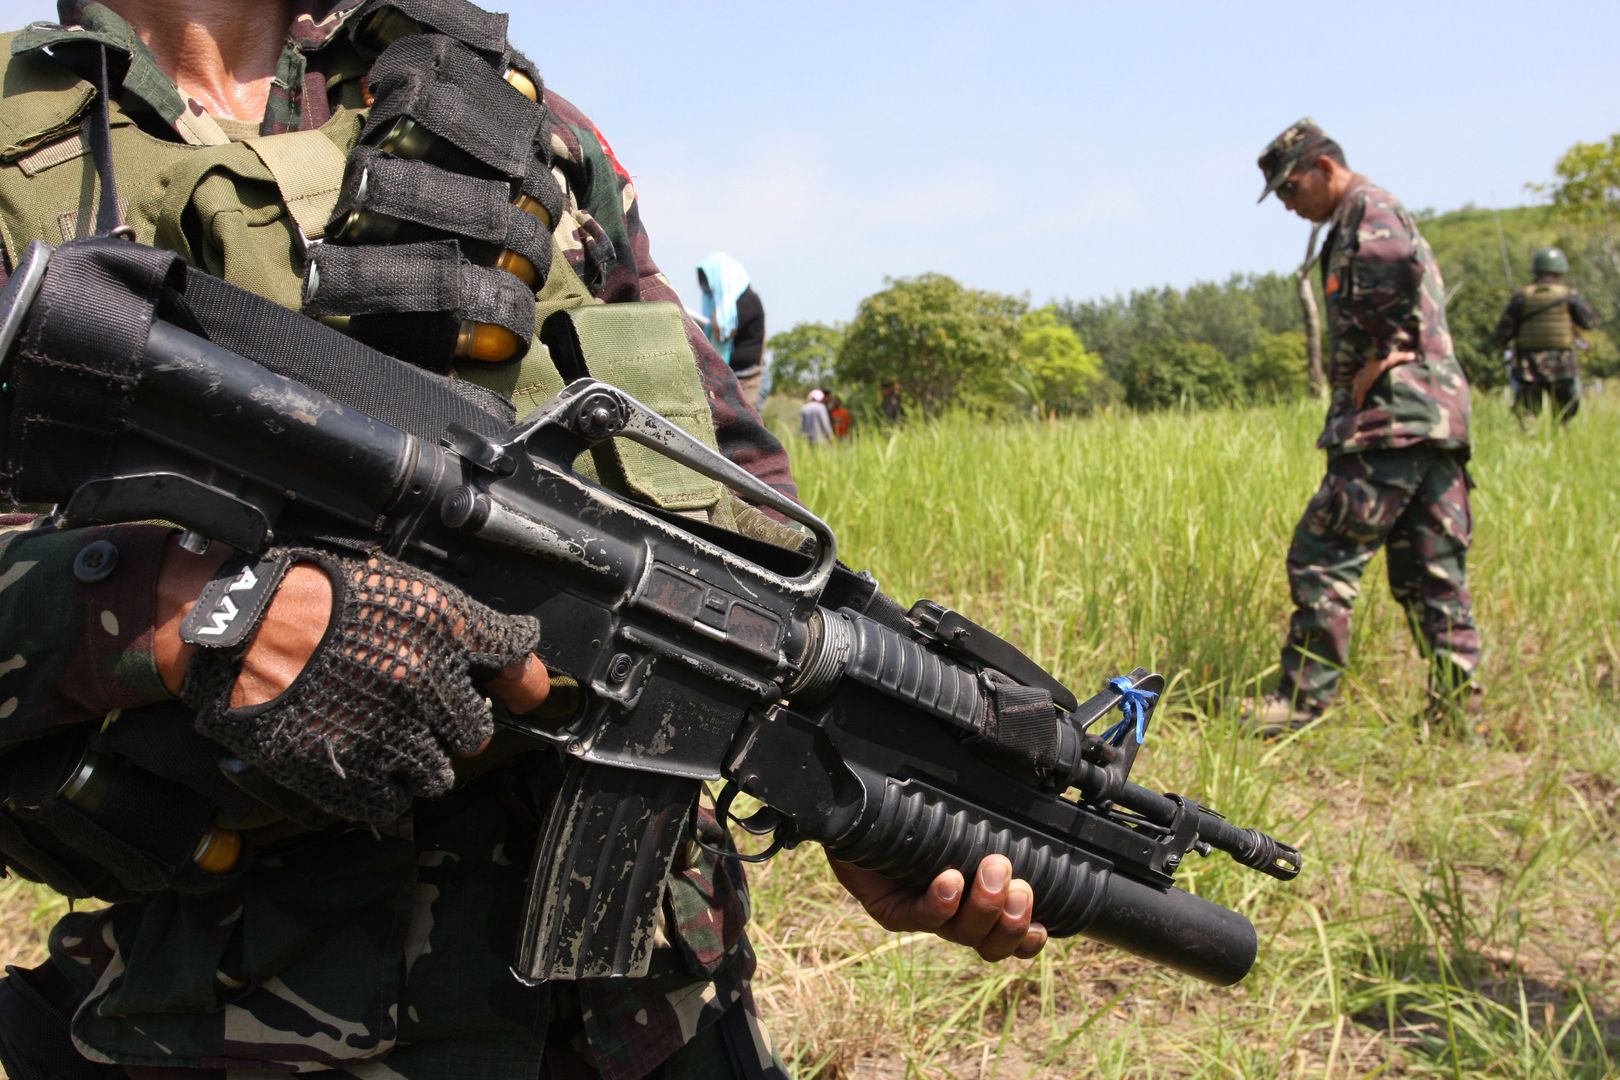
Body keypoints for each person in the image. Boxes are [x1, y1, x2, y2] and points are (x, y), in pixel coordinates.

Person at [0, 3, 1042, 1077]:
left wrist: (862, 795)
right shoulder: (17, 144)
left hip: (657, 1013)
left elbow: (737, 506)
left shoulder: (501, 108)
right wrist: (195, 614)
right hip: (235, 1018)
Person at [1248, 118, 1480, 735]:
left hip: (1390, 424)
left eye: (1292, 189)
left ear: (1323, 169)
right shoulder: (1371, 212)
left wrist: (1384, 347)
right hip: (1435, 424)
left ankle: (1300, 704)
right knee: (1432, 576)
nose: (1291, 206)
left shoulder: (1367, 213)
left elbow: (1391, 262)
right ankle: (1458, 715)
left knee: (1321, 557)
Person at [1491, 247, 1600, 426]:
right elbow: (1590, 322)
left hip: (1528, 365)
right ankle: (1561, 444)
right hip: (1561, 363)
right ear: (1560, 269)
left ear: (1536, 270)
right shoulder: (1569, 296)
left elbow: (1503, 333)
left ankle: (1529, 444)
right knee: (1564, 415)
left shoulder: (1522, 296)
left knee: (1527, 413)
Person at [696, 252, 766, 413]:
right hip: (730, 377)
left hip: (746, 379)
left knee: (746, 424)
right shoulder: (726, 306)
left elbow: (723, 330)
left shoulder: (747, 301)